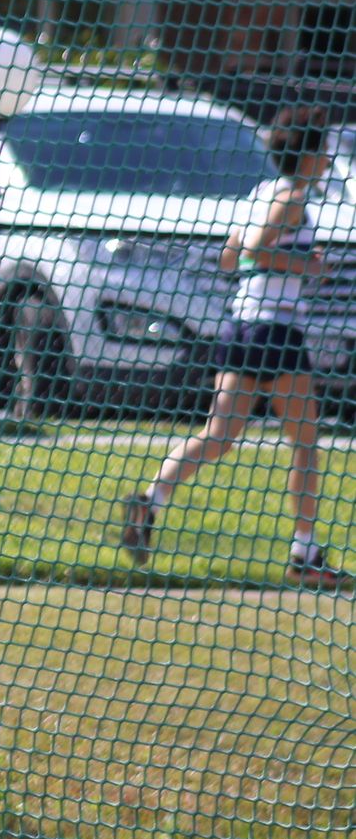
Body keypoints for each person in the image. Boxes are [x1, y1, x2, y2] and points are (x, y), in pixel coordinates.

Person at [123, 108, 348, 589]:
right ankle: (305, 554)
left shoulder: (261, 193)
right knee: (306, 444)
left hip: (240, 327)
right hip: (275, 332)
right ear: (307, 154)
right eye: (324, 150)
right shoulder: (291, 198)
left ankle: (151, 499)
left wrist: (288, 258)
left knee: (220, 436)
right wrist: (307, 266)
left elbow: (229, 257)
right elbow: (255, 251)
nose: (329, 158)